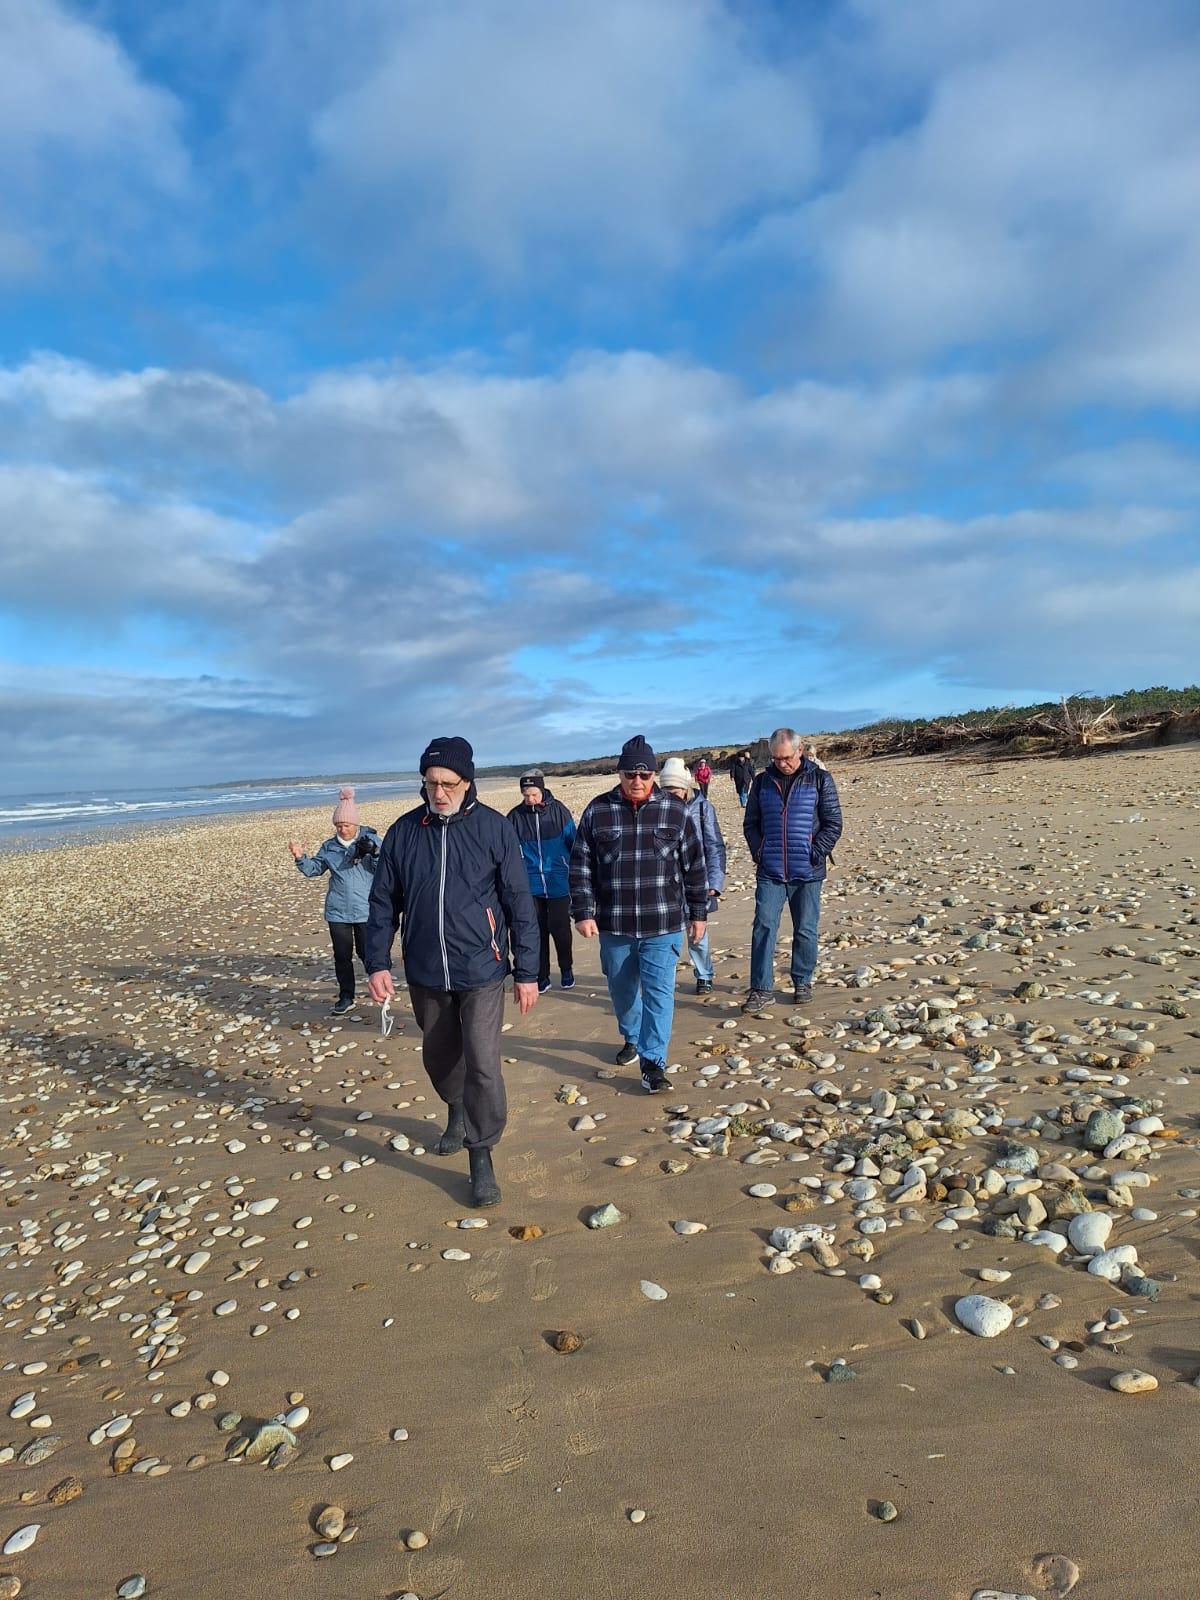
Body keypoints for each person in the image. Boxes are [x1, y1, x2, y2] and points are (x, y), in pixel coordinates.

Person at [365, 737, 539, 1208]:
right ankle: (456, 1108)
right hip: (425, 970)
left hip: (481, 967)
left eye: (448, 783)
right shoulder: (404, 832)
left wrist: (527, 970)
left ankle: (480, 1153)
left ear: (467, 782)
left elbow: (518, 901)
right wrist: (376, 961)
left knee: (483, 1061)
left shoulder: (493, 828)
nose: (439, 792)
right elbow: (383, 901)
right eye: (431, 782)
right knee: (440, 1057)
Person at [569, 735, 708, 1092]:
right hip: (614, 924)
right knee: (623, 990)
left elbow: (694, 866)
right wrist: (583, 912)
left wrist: (698, 914)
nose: (637, 780)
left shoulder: (675, 811)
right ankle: (631, 1036)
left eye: (645, 774)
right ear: (619, 773)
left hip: (662, 923)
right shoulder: (598, 810)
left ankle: (653, 1063)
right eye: (631, 773)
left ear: (655, 775)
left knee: (660, 992)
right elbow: (581, 864)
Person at [742, 729, 842, 1014]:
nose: (781, 763)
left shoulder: (820, 779)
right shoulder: (762, 782)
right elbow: (750, 824)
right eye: (776, 758)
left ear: (799, 751)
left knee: (806, 929)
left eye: (786, 757)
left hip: (808, 870)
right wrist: (759, 852)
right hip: (770, 870)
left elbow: (833, 823)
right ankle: (761, 989)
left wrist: (815, 852)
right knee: (763, 927)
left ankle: (802, 982)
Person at [288, 788, 382, 1016]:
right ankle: (346, 996)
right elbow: (315, 870)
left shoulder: (371, 839)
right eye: (339, 825)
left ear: (355, 824)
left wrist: (376, 853)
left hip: (365, 910)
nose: (343, 828)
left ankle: (380, 986)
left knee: (366, 953)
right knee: (342, 956)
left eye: (347, 825)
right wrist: (301, 858)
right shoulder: (329, 847)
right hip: (338, 911)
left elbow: (386, 870)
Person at [658, 758, 726, 995]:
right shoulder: (658, 807)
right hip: (666, 884)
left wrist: (714, 883)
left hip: (698, 881)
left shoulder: (703, 807)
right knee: (667, 936)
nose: (670, 794)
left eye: (674, 789)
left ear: (685, 786)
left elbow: (715, 846)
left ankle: (704, 975)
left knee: (697, 932)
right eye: (665, 789)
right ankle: (664, 979)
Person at [506, 770, 577, 993]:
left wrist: (576, 873)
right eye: (526, 795)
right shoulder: (515, 817)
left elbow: (574, 843)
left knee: (561, 929)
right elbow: (508, 851)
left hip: (558, 882)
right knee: (536, 932)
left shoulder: (559, 812)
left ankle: (566, 969)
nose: (530, 799)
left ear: (542, 790)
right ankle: (542, 975)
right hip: (530, 886)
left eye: (534, 794)